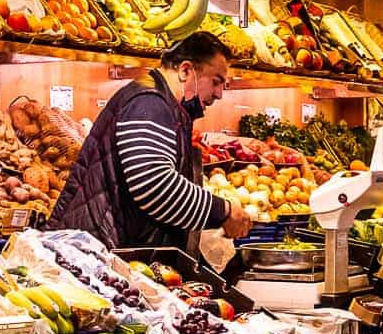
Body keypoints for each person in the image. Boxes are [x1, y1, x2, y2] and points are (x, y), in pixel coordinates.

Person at [50, 30, 252, 254]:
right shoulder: (150, 103)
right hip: (93, 251)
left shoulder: (163, 104)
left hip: (107, 247)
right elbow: (154, 186)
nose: (219, 94)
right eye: (216, 82)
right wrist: (222, 211)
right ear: (185, 70)